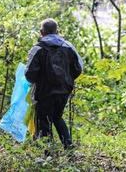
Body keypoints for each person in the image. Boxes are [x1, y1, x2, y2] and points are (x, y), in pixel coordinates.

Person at [24, 18, 83, 155]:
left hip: (44, 92)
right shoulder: (68, 47)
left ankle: (48, 154)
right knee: (57, 117)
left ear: (41, 32)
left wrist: (39, 80)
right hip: (63, 91)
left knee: (44, 121)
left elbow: (29, 74)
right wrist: (66, 80)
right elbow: (78, 68)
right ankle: (68, 148)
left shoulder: (37, 49)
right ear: (57, 31)